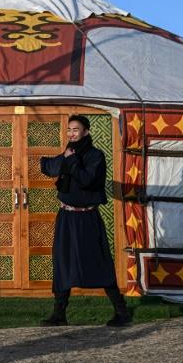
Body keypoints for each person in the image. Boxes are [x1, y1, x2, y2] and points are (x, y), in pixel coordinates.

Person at [39, 114, 131, 327]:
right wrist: (63, 159)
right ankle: (59, 314)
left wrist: (70, 161)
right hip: (66, 217)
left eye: (76, 129)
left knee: (99, 261)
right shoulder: (68, 152)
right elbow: (48, 168)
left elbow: (88, 180)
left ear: (86, 132)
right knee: (62, 262)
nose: (71, 133)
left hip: (87, 217)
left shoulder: (95, 156)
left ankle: (121, 311)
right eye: (69, 129)